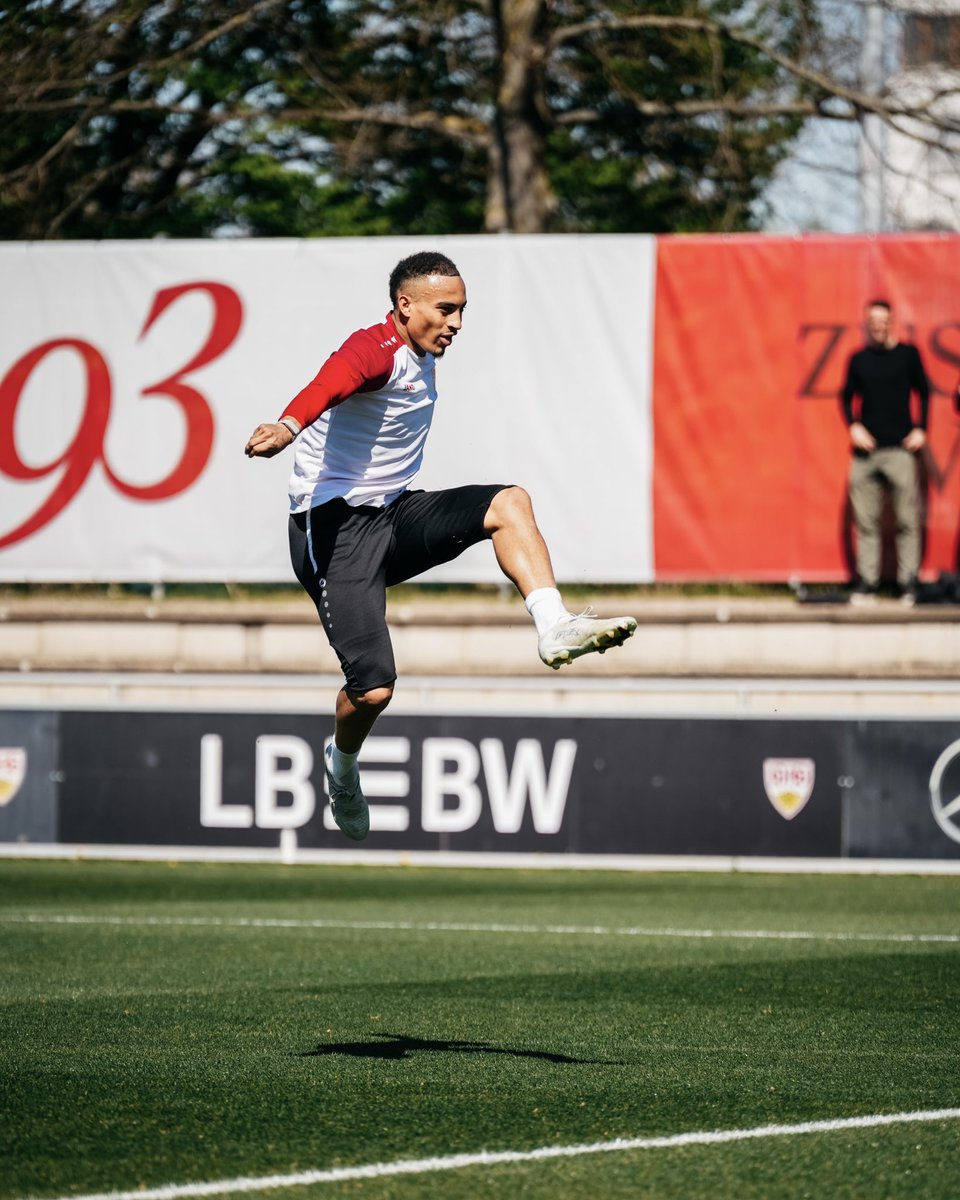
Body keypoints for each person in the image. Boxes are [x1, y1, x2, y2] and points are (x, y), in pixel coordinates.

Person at [245, 250, 637, 840]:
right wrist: (287, 426)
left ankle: (553, 625)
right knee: (373, 690)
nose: (456, 323)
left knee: (510, 502)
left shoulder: (421, 350)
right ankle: (342, 766)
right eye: (445, 310)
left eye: (462, 311)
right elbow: (330, 382)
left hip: (392, 514)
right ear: (405, 306)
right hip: (332, 532)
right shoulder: (372, 348)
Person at [840, 297, 930, 606]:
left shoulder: (908, 355)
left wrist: (922, 428)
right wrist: (852, 425)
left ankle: (909, 584)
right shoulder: (859, 359)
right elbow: (845, 395)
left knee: (907, 519)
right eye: (873, 321)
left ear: (892, 322)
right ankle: (867, 582)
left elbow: (925, 391)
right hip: (866, 454)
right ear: (867, 324)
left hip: (899, 450)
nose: (879, 326)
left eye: (884, 320)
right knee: (866, 522)